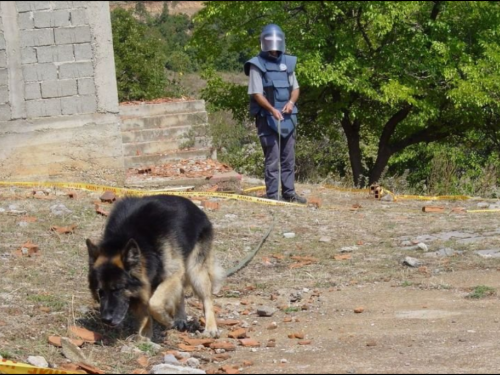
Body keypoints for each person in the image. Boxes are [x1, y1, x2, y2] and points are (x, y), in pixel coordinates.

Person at [244, 23, 307, 204]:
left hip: (288, 118)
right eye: (270, 40)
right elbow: (256, 93)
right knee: (272, 159)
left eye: (276, 40)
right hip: (267, 119)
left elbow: (295, 88)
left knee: (288, 159)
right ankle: (273, 195)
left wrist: (291, 102)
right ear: (264, 42)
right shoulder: (256, 65)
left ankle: (289, 193)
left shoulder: (287, 63)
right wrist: (272, 110)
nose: (273, 44)